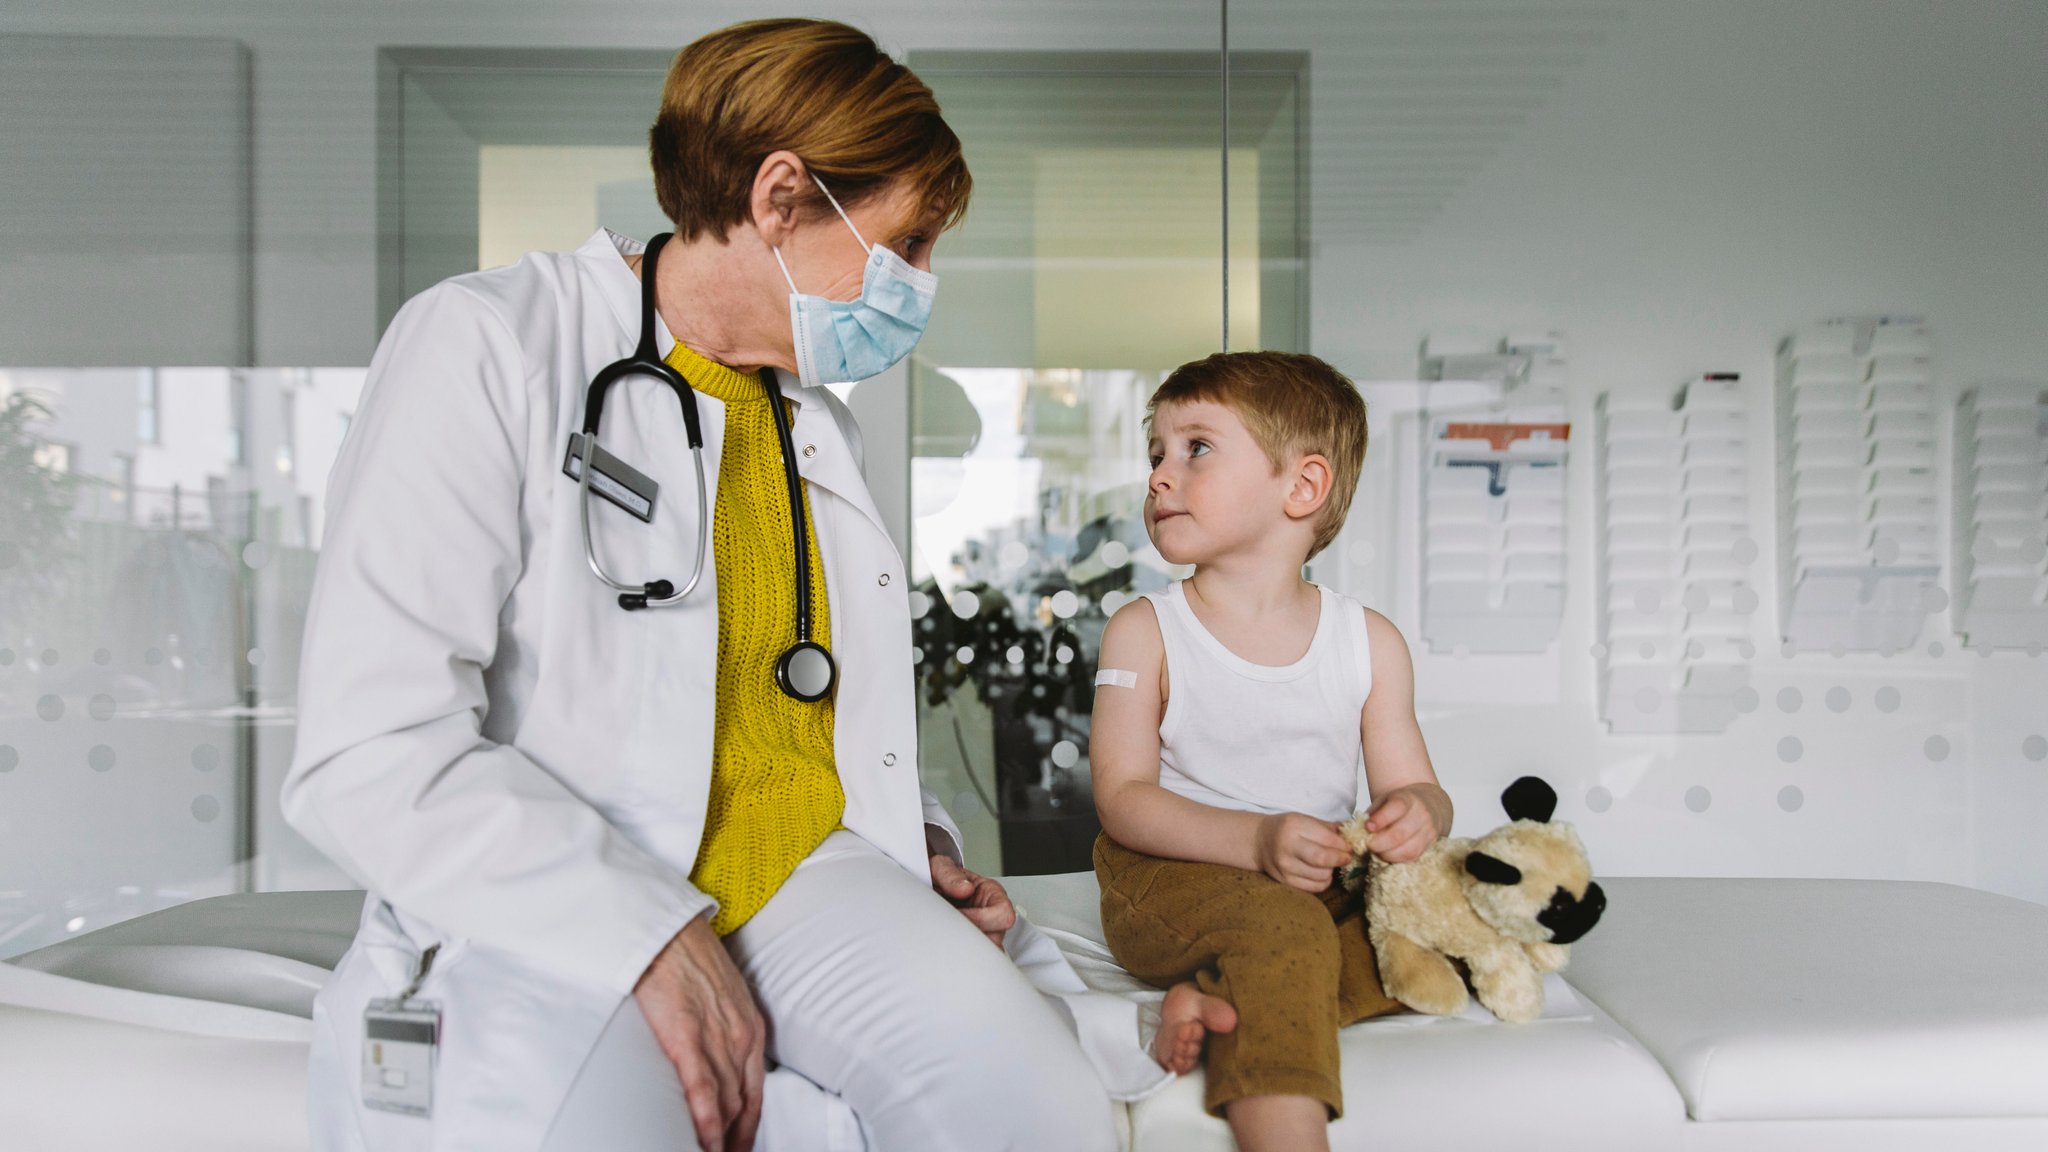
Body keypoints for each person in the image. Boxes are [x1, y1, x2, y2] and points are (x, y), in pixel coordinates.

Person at [283, 19, 1144, 1152]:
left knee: (1038, 1112)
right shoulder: (491, 342)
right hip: (568, 866)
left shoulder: (811, 427)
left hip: (798, 873)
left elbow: (814, 708)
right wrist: (650, 933)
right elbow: (370, 744)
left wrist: (918, 841)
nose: (920, 284)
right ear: (781, 196)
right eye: (909, 243)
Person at [1089, 350, 1456, 1152]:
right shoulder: (1144, 630)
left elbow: (1420, 788)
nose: (1158, 475)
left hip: (1307, 878)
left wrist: (1414, 816)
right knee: (1287, 933)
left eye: (1196, 448)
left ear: (1303, 488)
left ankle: (1215, 1003)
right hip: (1164, 876)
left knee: (1430, 933)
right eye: (1155, 453)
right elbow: (1121, 799)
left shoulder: (1370, 643)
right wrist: (1255, 840)